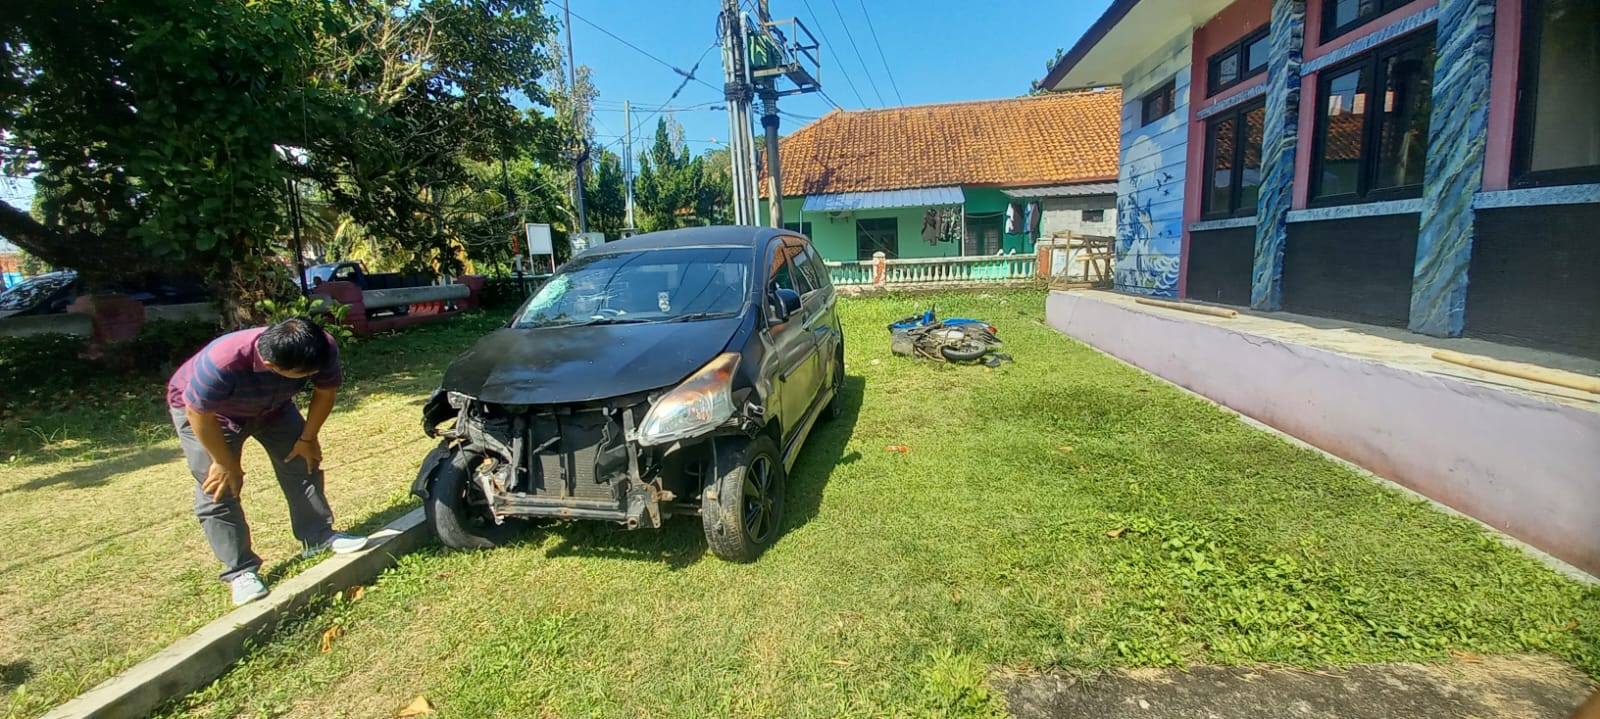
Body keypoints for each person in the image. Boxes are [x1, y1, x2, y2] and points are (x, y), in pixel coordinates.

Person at [167, 317, 367, 606]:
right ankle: (240, 571)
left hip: (274, 408)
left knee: (302, 462)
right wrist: (224, 463)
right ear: (274, 368)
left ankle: (318, 536)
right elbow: (199, 413)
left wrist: (307, 439)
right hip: (211, 416)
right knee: (219, 488)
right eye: (306, 373)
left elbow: (325, 392)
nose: (316, 374)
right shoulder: (221, 362)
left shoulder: (319, 347)